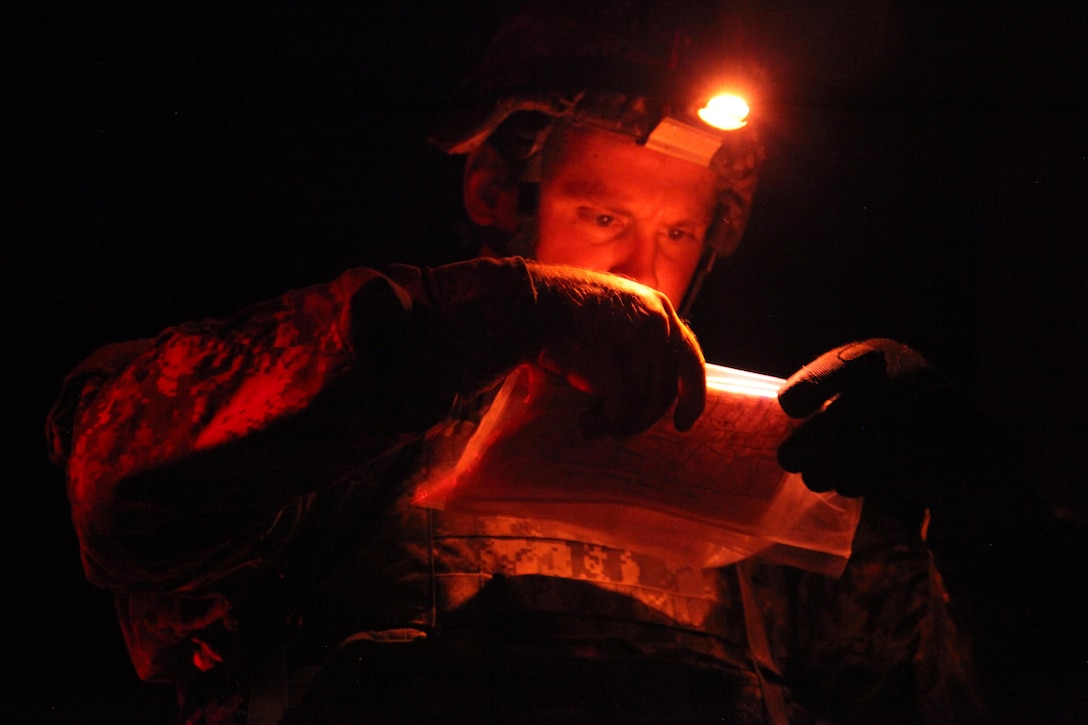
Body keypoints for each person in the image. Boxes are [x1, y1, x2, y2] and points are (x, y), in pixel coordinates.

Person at [46, 2, 1061, 722]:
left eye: (676, 231)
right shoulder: (352, 427)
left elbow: (991, 699)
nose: (641, 270)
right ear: (498, 196)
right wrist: (502, 311)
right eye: (602, 214)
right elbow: (121, 478)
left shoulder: (771, 507)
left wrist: (984, 512)